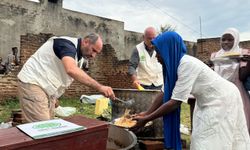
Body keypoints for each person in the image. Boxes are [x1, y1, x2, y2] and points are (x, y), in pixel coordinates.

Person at [131, 31, 250, 150]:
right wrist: (146, 113)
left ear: (168, 50)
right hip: (206, 101)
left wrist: (147, 119)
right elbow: (164, 93)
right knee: (200, 139)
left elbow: (174, 102)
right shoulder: (173, 67)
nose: (156, 57)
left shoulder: (186, 64)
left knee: (209, 141)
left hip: (222, 100)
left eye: (158, 52)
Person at [17, 33, 115, 122]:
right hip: (33, 83)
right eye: (93, 50)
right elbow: (71, 69)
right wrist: (100, 87)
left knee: (48, 124)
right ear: (86, 41)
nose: (93, 55)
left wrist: (53, 96)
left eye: (96, 53)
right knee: (42, 128)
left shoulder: (78, 56)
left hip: (45, 88)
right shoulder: (66, 45)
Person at [210, 28, 250, 134]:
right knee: (221, 125)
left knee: (238, 124)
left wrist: (249, 62)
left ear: (236, 40)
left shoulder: (243, 53)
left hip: (237, 93)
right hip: (219, 94)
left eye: (230, 39)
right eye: (223, 39)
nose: (226, 42)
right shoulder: (215, 56)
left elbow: (242, 77)